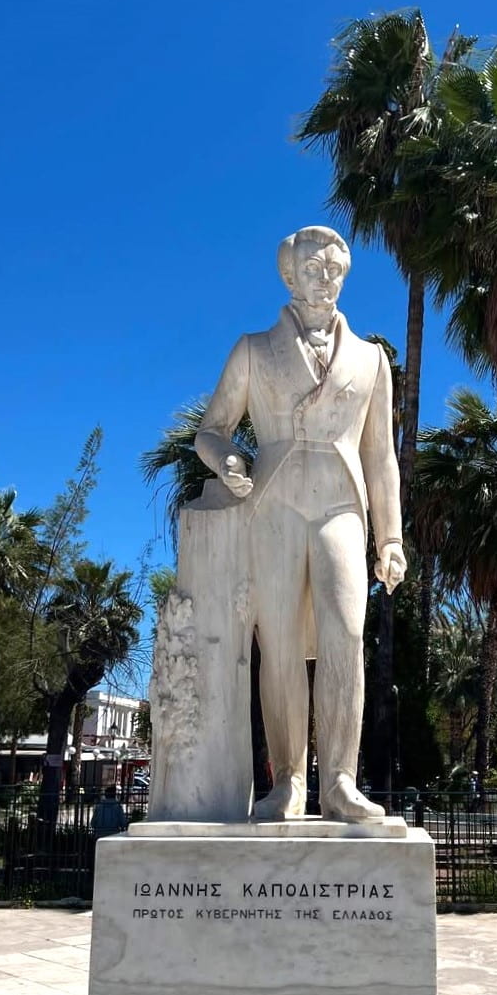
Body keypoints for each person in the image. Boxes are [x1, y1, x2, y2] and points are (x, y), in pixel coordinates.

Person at [195, 226, 406, 821]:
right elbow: (210, 430)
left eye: (334, 266)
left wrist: (390, 537)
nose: (324, 276)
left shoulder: (370, 359)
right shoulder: (254, 350)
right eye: (312, 266)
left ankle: (340, 781)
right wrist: (228, 457)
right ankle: (288, 780)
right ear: (288, 275)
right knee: (281, 642)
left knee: (346, 637)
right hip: (275, 503)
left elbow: (380, 454)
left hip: (342, 504)